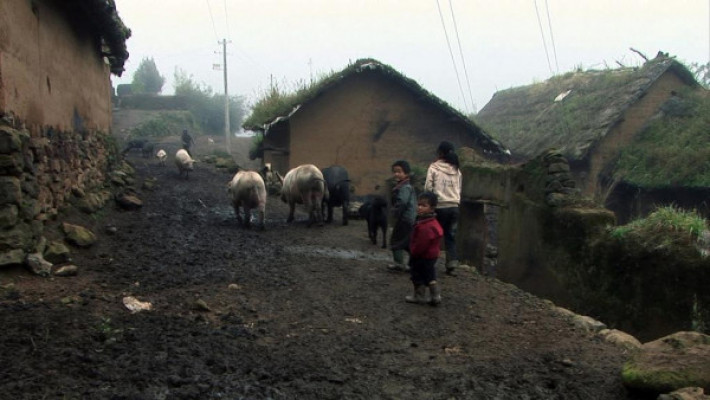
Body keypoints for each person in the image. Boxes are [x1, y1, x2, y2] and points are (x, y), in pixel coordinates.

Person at [424, 141, 462, 276]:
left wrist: (429, 204)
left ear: (440, 153)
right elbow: (459, 189)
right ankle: (451, 263)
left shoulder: (434, 167)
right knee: (450, 236)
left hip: (440, 207)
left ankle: (430, 262)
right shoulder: (457, 170)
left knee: (434, 235)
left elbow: (428, 188)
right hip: (454, 207)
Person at [406, 191, 444, 305]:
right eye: (419, 205)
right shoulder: (433, 222)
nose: (420, 207)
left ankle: (419, 296)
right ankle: (435, 296)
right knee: (430, 275)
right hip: (432, 255)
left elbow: (421, 244)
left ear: (432, 208)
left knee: (417, 275)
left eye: (424, 205)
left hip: (422, 255)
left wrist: (413, 252)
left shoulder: (425, 226)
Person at [387, 160, 417, 272]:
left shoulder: (405, 188)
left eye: (399, 172)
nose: (396, 174)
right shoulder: (404, 186)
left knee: (396, 241)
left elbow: (402, 202)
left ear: (407, 173)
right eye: (395, 172)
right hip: (409, 219)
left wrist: (395, 212)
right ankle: (413, 264)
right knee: (407, 243)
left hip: (404, 219)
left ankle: (399, 264)